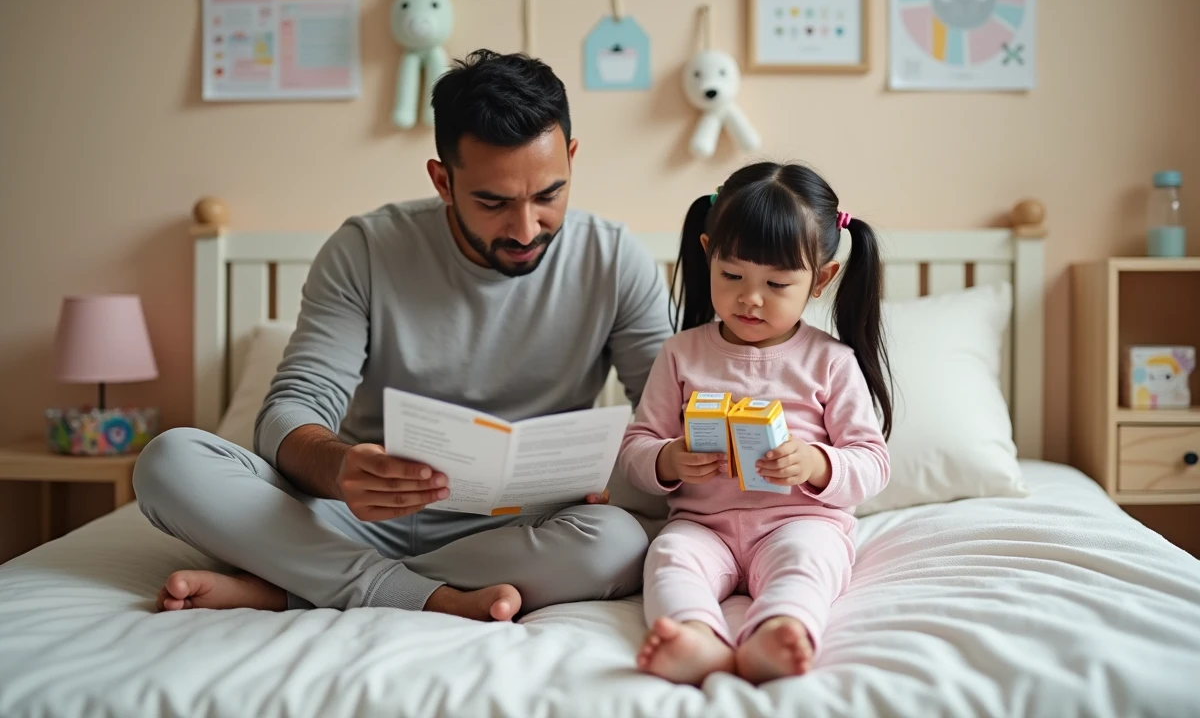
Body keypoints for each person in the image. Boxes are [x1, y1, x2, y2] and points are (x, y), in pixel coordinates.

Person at [133, 49, 672, 621]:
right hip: (359, 516)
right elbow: (289, 412)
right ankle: (422, 594)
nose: (525, 228)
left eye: (548, 195)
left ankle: (298, 584)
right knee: (169, 461)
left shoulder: (614, 260)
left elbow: (666, 421)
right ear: (443, 180)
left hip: (520, 525)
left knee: (619, 541)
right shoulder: (365, 250)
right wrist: (342, 468)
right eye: (493, 202)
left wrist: (619, 477)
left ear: (571, 157)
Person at [617, 162, 892, 685]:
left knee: (807, 564)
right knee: (669, 557)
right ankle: (695, 635)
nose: (751, 298)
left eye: (776, 283)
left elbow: (873, 462)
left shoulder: (829, 361)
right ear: (707, 254)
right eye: (732, 276)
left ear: (821, 280)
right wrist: (667, 458)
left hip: (800, 522)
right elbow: (636, 447)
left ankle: (780, 629)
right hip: (704, 526)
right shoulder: (680, 354)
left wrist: (816, 463)